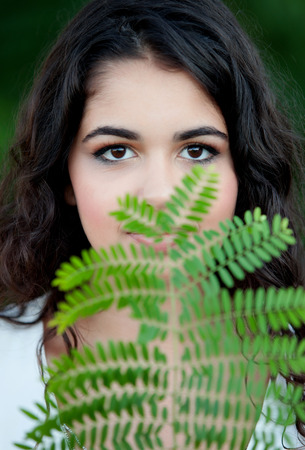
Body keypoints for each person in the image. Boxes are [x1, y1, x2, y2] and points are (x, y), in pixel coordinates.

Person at [0, 0, 304, 448]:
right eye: (116, 151)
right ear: (65, 176)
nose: (161, 194)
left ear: (243, 171)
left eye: (198, 150)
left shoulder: (293, 364)